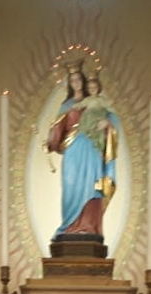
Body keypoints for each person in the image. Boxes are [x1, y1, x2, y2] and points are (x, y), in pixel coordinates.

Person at [47, 63, 120, 239]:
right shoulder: (66, 105)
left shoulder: (95, 100)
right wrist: (50, 141)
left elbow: (113, 116)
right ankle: (68, 226)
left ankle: (89, 228)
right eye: (72, 80)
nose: (76, 83)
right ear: (69, 84)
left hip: (92, 147)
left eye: (79, 79)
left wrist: (108, 123)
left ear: (84, 81)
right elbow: (58, 129)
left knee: (92, 186)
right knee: (71, 186)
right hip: (73, 150)